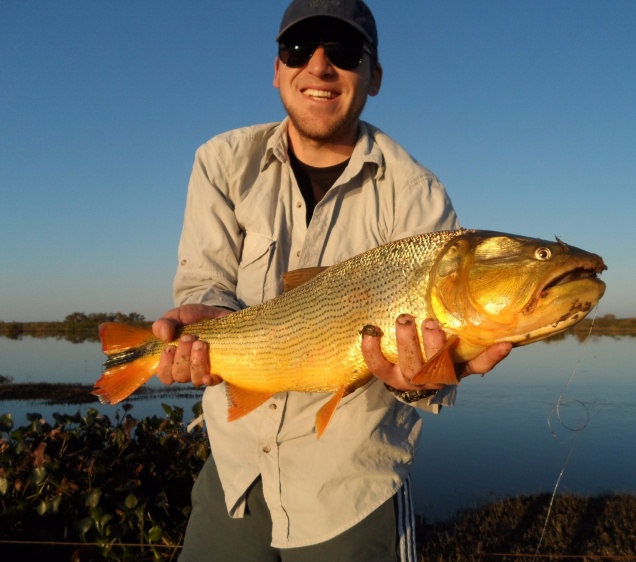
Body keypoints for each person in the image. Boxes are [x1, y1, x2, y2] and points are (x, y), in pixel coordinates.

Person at [151, 1, 511, 560]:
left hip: (349, 486)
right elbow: (206, 282)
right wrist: (205, 315)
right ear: (277, 70)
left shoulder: (417, 193)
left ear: (374, 77)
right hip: (235, 468)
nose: (319, 66)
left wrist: (421, 378)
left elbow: (429, 369)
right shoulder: (221, 162)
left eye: (343, 52)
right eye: (299, 50)